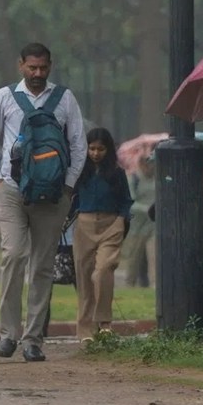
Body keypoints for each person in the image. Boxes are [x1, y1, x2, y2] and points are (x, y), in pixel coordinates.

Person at [0, 42, 86, 362]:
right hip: (12, 190)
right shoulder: (4, 97)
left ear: (50, 66)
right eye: (32, 67)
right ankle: (8, 334)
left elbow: (78, 145)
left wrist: (68, 187)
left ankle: (33, 339)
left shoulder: (64, 98)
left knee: (42, 265)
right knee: (13, 255)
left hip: (53, 194)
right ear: (21, 65)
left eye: (43, 67)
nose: (38, 73)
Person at [72, 128, 132, 343]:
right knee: (84, 277)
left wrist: (121, 220)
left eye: (101, 149)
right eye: (92, 149)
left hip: (111, 224)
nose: (96, 153)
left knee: (103, 270)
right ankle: (85, 330)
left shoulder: (116, 173)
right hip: (84, 225)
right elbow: (71, 197)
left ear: (109, 150)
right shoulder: (79, 171)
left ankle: (105, 323)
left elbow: (126, 200)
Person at [121, 154, 156, 287]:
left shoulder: (157, 179)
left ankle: (154, 285)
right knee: (134, 258)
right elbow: (129, 202)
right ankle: (129, 284)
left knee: (154, 256)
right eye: (148, 164)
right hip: (137, 226)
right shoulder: (134, 179)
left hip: (153, 225)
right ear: (141, 164)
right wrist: (147, 208)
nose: (151, 167)